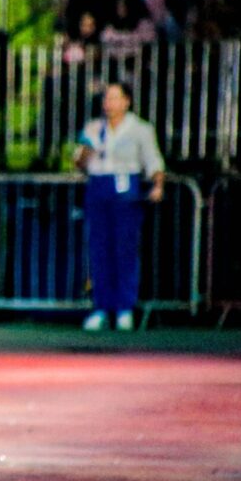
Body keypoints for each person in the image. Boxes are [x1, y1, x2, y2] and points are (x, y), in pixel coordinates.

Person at [75, 82, 165, 331]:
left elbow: (153, 159)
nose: (109, 103)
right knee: (99, 249)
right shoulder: (94, 127)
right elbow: (80, 162)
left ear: (126, 101)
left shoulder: (140, 129)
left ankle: (125, 307)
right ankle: (101, 307)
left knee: (125, 249)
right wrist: (87, 149)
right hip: (98, 186)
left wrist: (157, 184)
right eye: (106, 98)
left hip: (125, 188)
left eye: (114, 98)